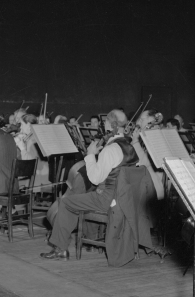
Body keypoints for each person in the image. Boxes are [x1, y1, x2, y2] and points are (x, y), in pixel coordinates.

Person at [40, 109, 138, 260]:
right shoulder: (130, 147)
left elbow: (95, 179)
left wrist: (90, 155)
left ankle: (61, 249)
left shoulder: (110, 150)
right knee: (81, 200)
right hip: (123, 198)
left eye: (104, 123)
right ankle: (87, 239)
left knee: (66, 202)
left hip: (107, 199)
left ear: (110, 125)